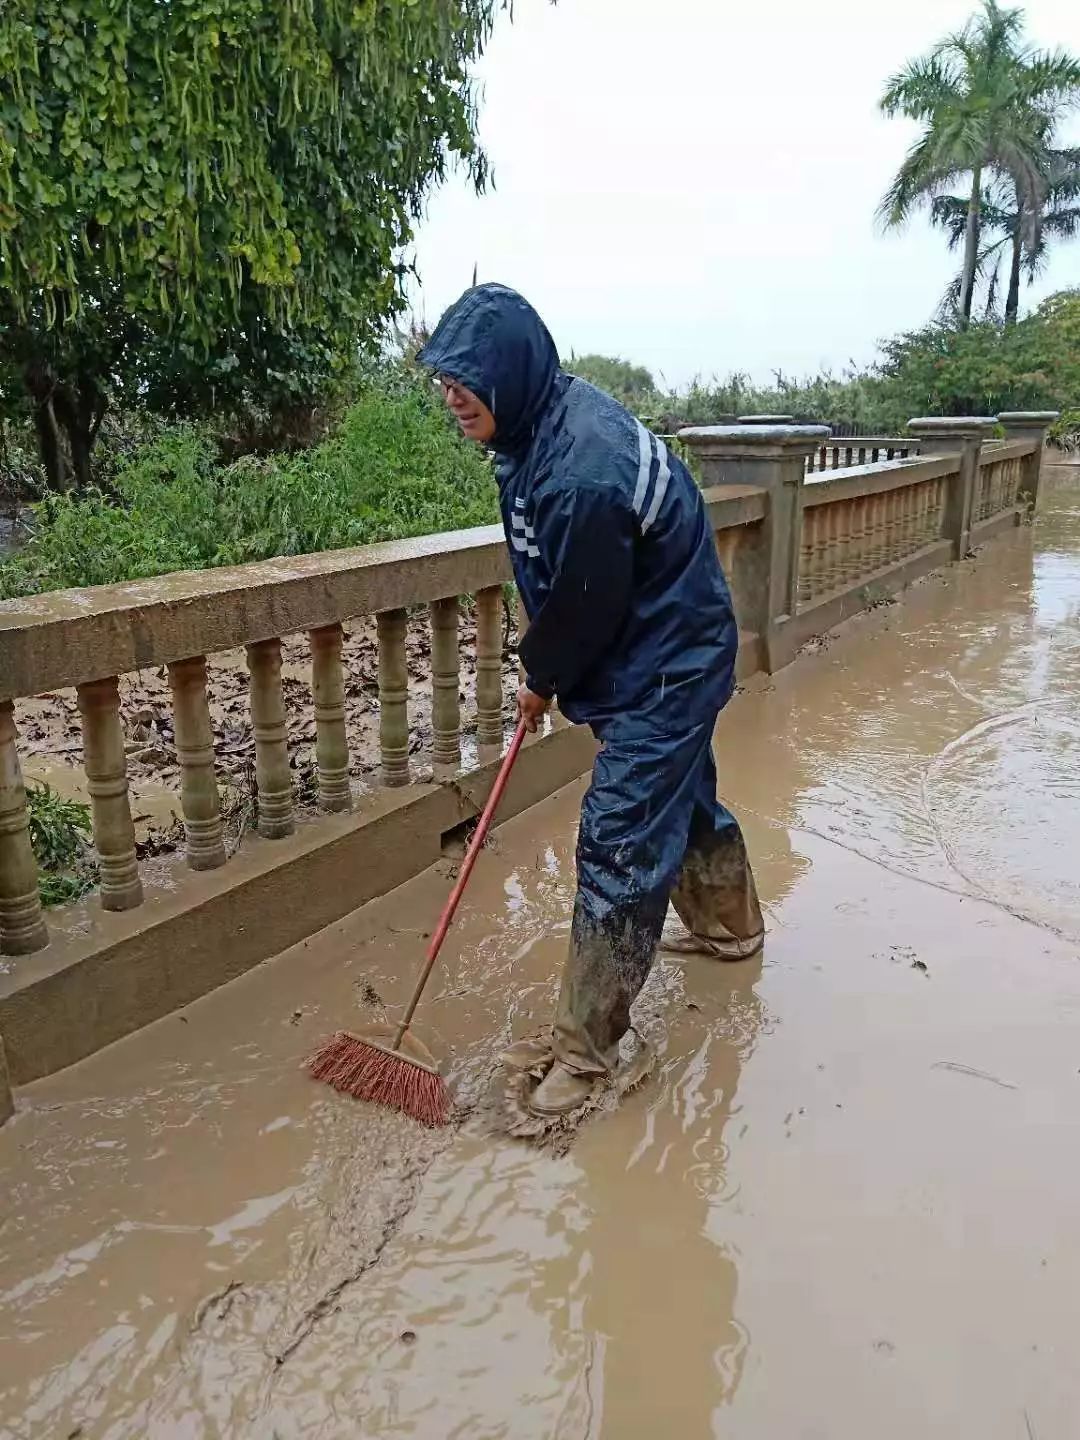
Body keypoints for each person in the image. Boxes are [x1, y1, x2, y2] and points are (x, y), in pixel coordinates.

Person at [421, 284, 763, 1117]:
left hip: (667, 662)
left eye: (467, 378)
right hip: (649, 644)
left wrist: (541, 676)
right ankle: (731, 927)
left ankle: (583, 1052)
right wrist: (552, 665)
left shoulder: (581, 470)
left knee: (618, 835)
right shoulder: (538, 426)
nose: (452, 395)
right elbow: (571, 587)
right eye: (444, 378)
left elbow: (583, 604)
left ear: (513, 371)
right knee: (677, 796)